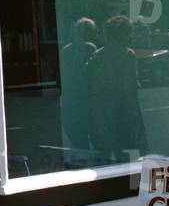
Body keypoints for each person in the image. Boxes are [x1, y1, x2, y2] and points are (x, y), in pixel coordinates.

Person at [87, 15, 148, 163]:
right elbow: (130, 88)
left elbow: (92, 85)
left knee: (107, 152)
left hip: (103, 109)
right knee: (128, 152)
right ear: (122, 34)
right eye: (129, 32)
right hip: (123, 110)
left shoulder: (97, 55)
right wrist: (136, 120)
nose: (131, 36)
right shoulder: (128, 54)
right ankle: (130, 183)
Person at [60, 17, 97, 150]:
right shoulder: (90, 48)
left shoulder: (65, 50)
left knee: (79, 146)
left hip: (69, 103)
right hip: (86, 103)